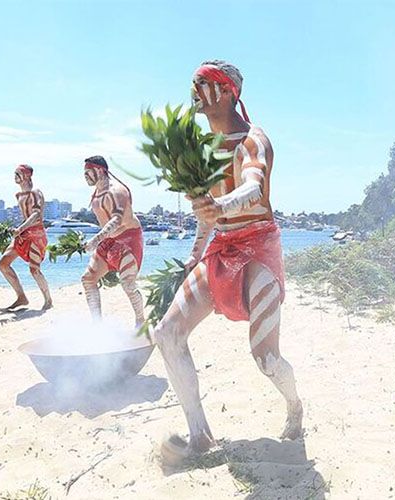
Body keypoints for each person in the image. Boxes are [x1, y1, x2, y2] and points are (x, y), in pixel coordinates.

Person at [153, 60, 303, 461]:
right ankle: (200, 434)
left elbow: (253, 189)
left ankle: (294, 404)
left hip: (258, 252)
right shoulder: (203, 151)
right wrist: (194, 253)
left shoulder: (253, 139)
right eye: (194, 85)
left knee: (266, 359)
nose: (195, 92)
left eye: (202, 84)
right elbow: (207, 216)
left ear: (227, 91)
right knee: (166, 334)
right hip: (221, 250)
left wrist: (219, 206)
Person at [81, 156, 145, 327]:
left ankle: (141, 321)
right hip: (109, 240)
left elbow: (117, 220)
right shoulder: (96, 194)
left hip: (128, 238)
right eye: (84, 172)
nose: (85, 176)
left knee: (128, 284)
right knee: (88, 279)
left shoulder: (117, 191)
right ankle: (97, 325)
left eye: (88, 172)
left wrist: (95, 239)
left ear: (100, 170)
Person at [0, 164, 52, 311]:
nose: (15, 176)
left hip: (36, 235)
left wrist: (20, 228)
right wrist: (17, 229)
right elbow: (26, 216)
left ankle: (48, 300)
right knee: (3, 264)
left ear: (26, 176)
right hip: (23, 234)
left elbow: (35, 214)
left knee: (34, 269)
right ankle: (21, 297)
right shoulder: (18, 195)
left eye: (17, 173)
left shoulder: (35, 193)